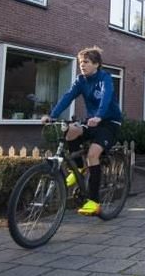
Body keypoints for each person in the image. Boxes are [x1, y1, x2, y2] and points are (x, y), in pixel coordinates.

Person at [42, 46, 123, 216]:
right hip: (92, 122)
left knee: (93, 155)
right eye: (80, 62)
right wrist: (52, 116)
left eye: (86, 62)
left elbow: (106, 97)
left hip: (109, 123)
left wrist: (100, 116)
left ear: (96, 64)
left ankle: (94, 202)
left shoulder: (104, 78)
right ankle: (78, 169)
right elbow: (68, 96)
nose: (82, 65)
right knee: (71, 131)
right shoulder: (80, 81)